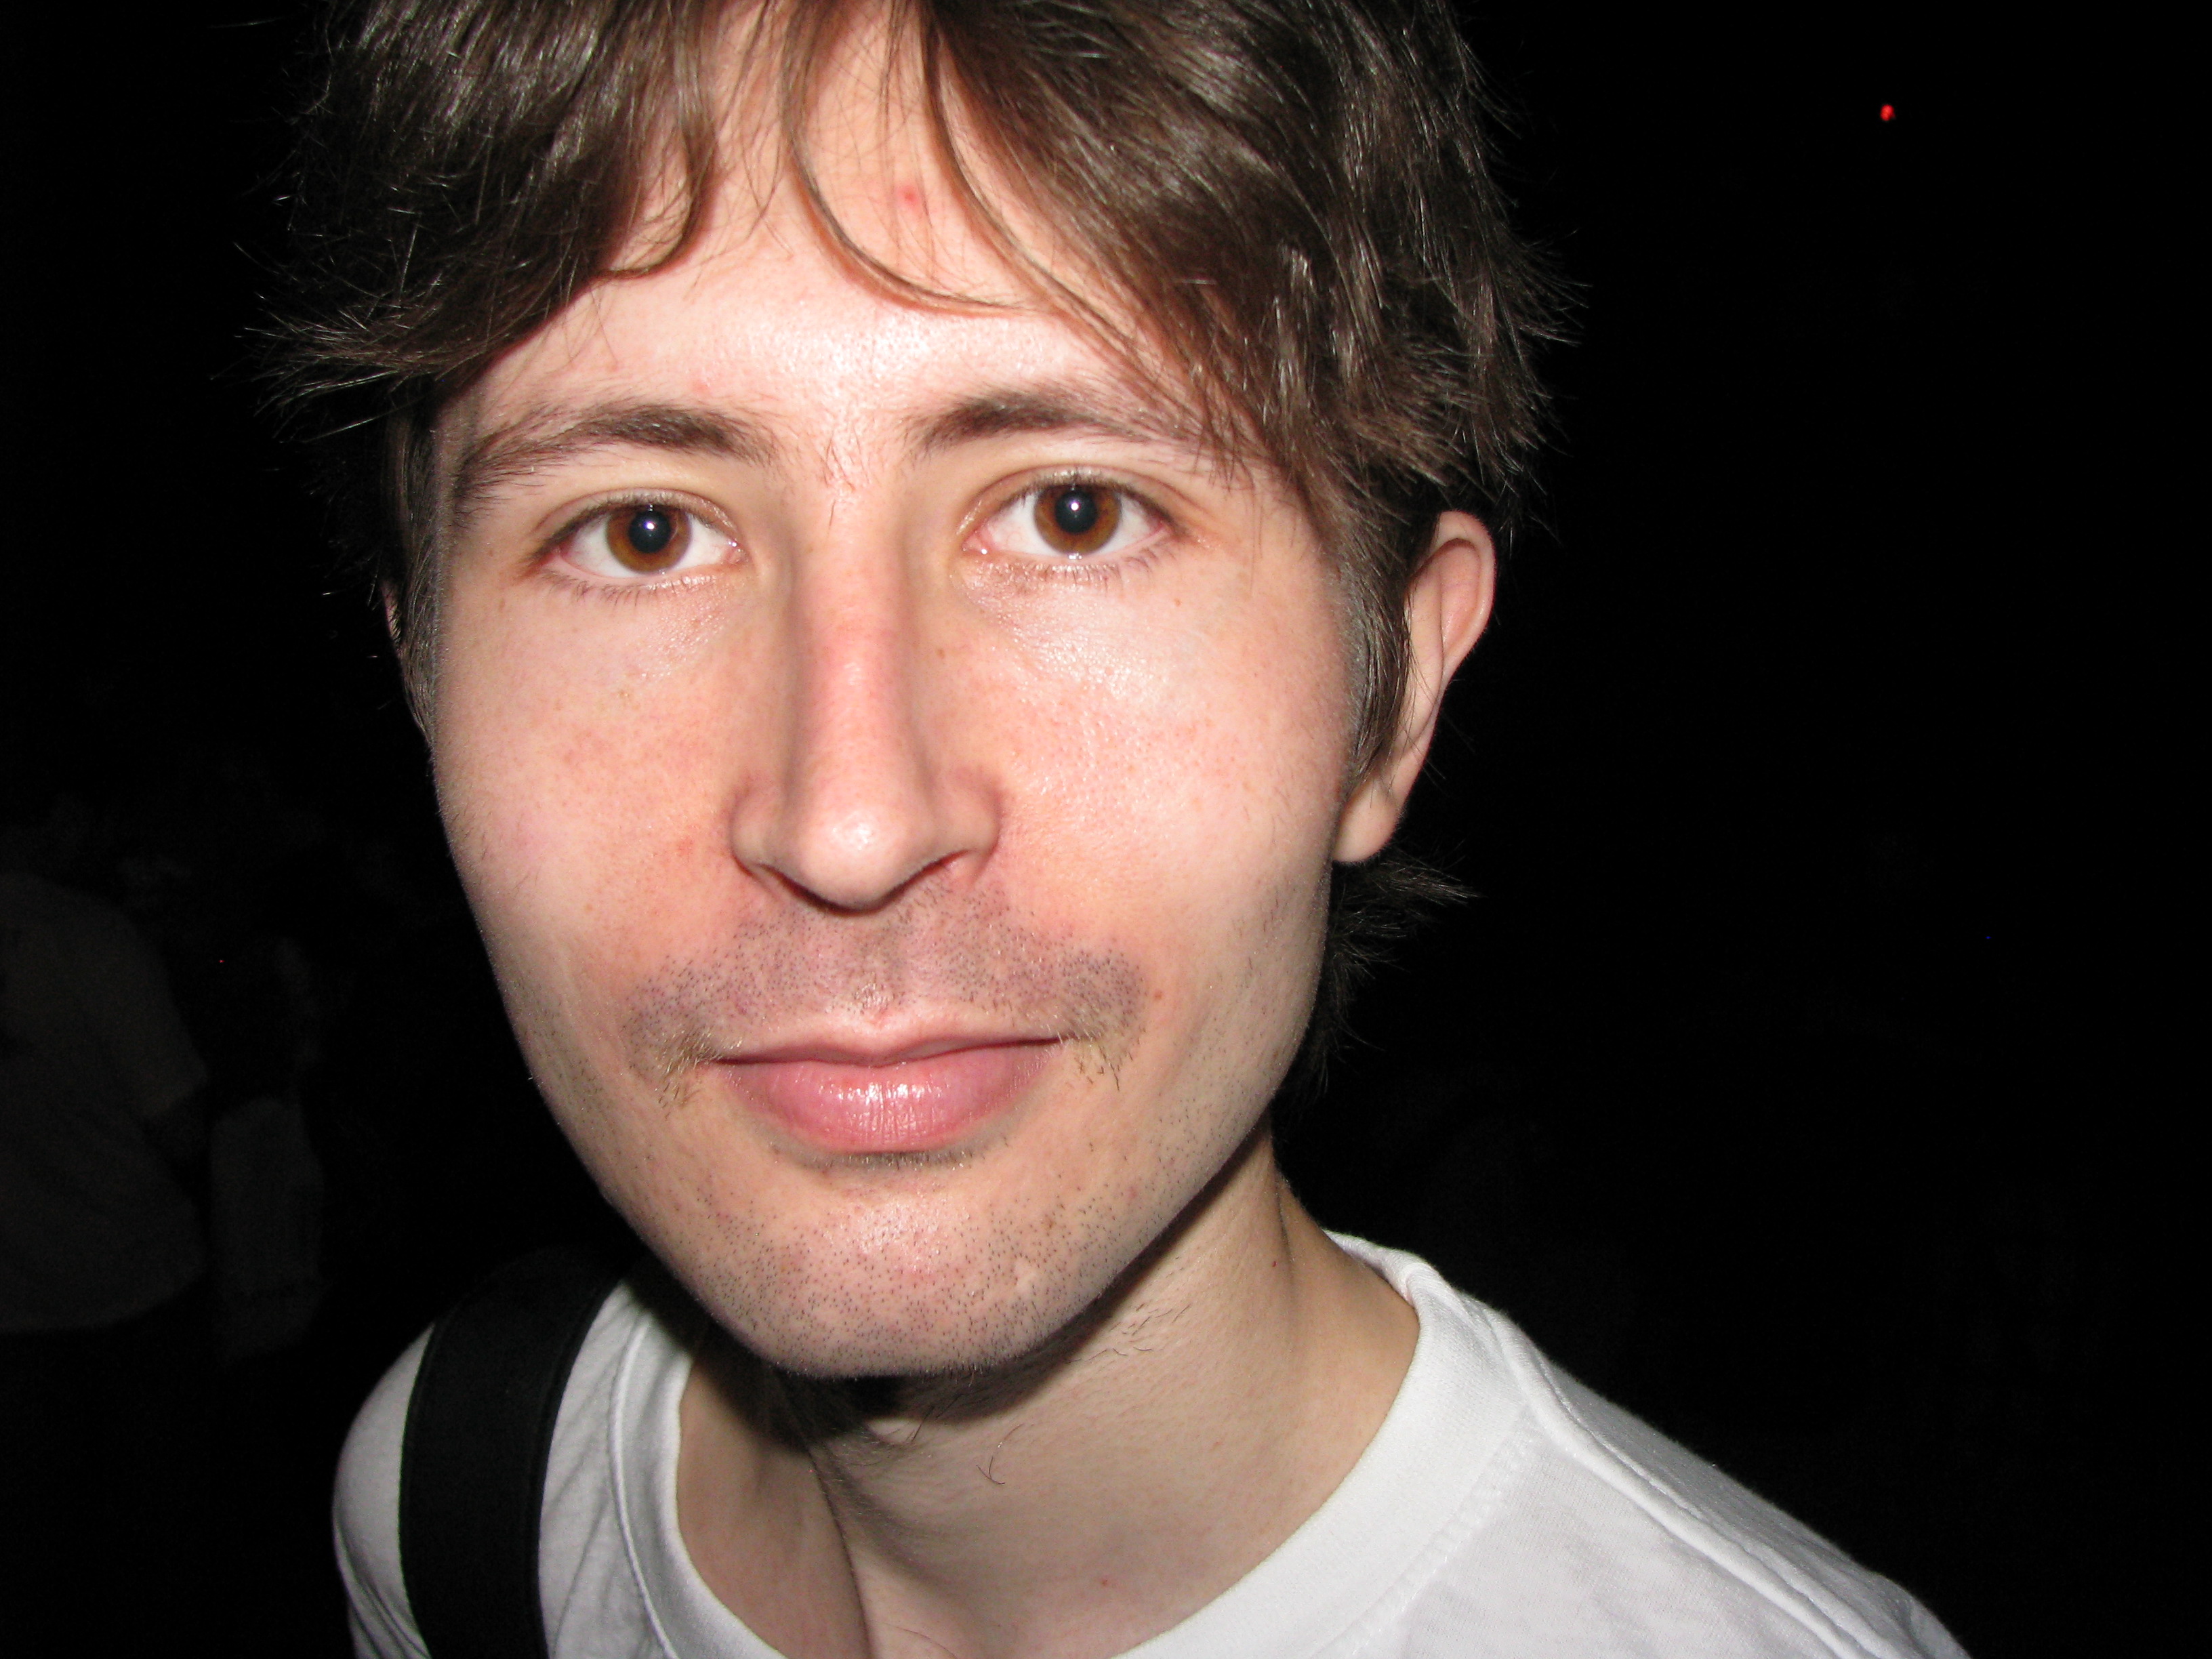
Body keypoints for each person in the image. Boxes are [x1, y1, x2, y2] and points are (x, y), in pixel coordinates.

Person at [281, 1, 1967, 1653]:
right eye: (642, 533)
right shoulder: (452, 1501)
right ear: (422, 681)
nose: (852, 825)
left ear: (1392, 698)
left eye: (1074, 514)